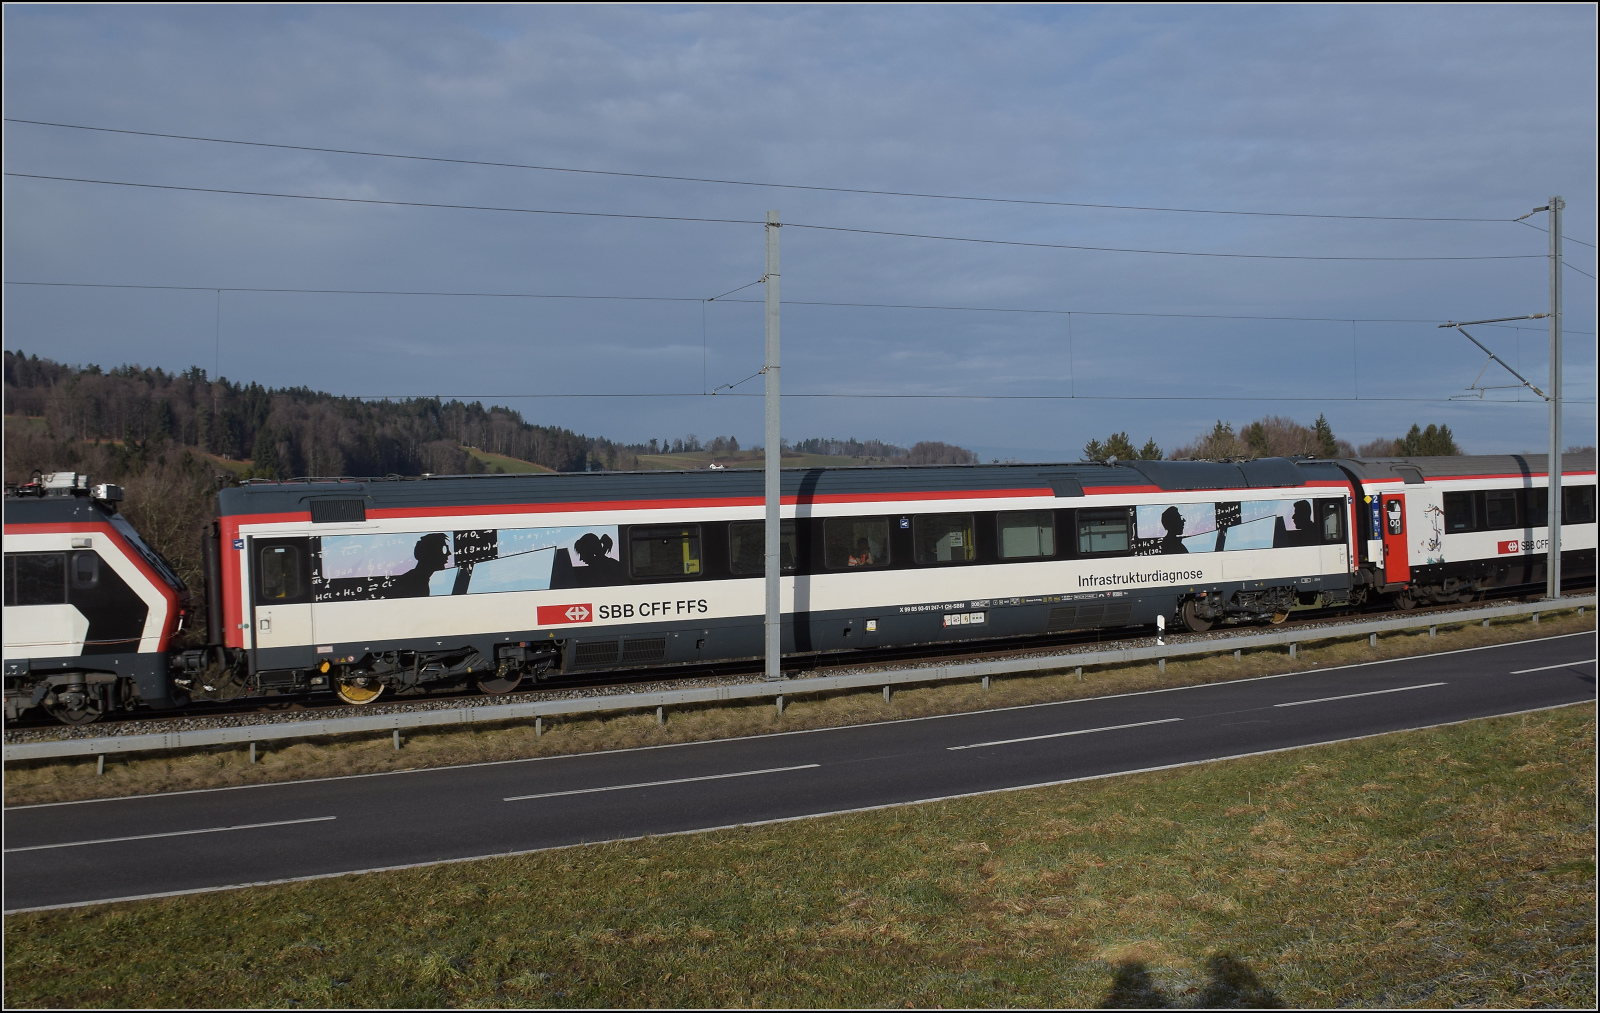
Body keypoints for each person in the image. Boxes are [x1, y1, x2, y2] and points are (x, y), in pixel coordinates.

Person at [386, 533, 451, 597]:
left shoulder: (416, 580)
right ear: (430, 553)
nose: (449, 553)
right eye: (444, 549)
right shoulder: (413, 584)